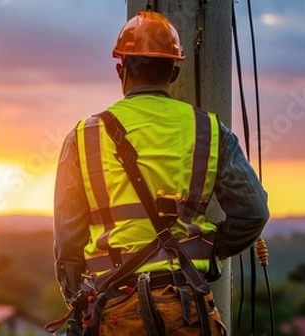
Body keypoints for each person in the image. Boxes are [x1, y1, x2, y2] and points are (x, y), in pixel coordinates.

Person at [52, 11, 269, 335]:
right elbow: (253, 212)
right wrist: (211, 250)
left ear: (120, 69)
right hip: (186, 309)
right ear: (174, 71)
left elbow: (69, 240)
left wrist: (81, 299)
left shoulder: (84, 137)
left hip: (114, 311)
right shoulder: (209, 130)